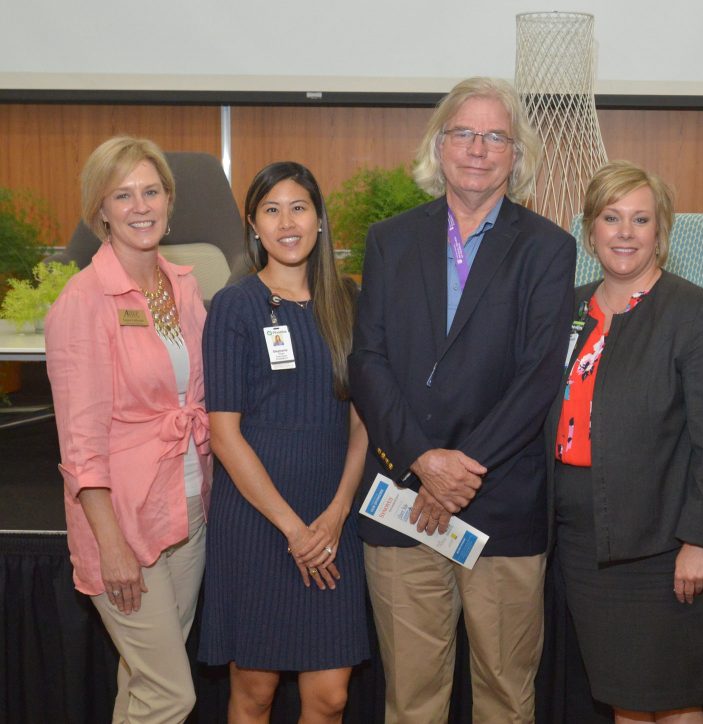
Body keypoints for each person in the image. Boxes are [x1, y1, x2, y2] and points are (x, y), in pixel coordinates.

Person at [349, 76, 576, 723]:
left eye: (495, 135)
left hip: (499, 506)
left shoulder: (548, 248)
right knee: (412, 698)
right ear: (439, 145)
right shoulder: (391, 241)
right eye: (464, 133)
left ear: (516, 153)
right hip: (402, 502)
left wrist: (457, 472)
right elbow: (368, 361)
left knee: (505, 695)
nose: (478, 148)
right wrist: (423, 459)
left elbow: (538, 376)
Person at [548, 161, 703, 723]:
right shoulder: (568, 308)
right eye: (612, 218)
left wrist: (701, 540)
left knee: (675, 704)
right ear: (590, 230)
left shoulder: (697, 314)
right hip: (585, 545)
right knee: (624, 703)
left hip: (663, 546)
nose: (626, 232)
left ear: (662, 231)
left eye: (641, 219)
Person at [45, 135, 210, 723]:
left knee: (142, 682)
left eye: (151, 191)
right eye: (123, 195)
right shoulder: (83, 302)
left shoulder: (184, 287)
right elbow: (80, 446)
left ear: (169, 199)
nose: (141, 206)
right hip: (123, 525)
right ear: (101, 212)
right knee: (171, 693)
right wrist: (109, 545)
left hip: (189, 509)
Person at [198, 162, 369, 723]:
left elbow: (362, 423)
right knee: (255, 694)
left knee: (331, 698)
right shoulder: (234, 306)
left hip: (332, 521)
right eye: (271, 210)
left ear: (319, 219)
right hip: (257, 524)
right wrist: (294, 531)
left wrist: (337, 516)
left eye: (299, 207)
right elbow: (224, 435)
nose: (287, 222)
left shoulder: (349, 302)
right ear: (253, 224)